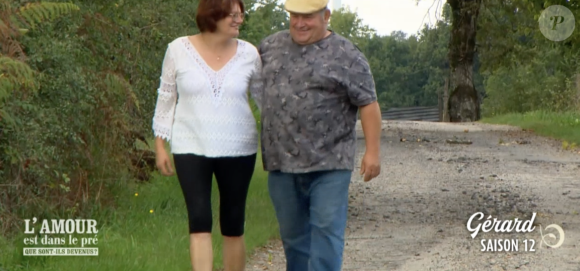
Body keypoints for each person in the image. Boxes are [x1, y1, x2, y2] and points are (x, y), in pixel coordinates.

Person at [249, 0, 383, 270]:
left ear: (326, 16)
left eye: (308, 17)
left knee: (325, 237)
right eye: (294, 16)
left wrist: (372, 152)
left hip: (330, 164)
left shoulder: (347, 55)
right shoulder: (269, 47)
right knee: (294, 242)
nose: (300, 23)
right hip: (280, 165)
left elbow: (368, 104)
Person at [151, 0, 262, 270]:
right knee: (199, 220)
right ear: (213, 16)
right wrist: (160, 146)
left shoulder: (250, 53)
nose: (239, 20)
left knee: (233, 223)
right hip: (190, 147)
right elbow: (166, 99)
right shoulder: (178, 50)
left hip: (239, 148)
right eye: (232, 15)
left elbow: (265, 101)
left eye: (240, 15)